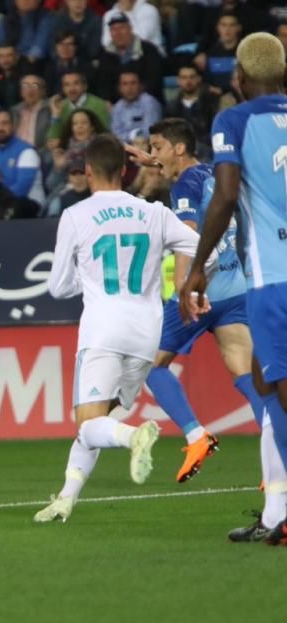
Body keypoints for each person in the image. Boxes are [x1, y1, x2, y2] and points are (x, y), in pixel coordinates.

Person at [35, 134, 213, 523]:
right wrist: (195, 288)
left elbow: (58, 285)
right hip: (145, 336)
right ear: (124, 170)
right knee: (96, 422)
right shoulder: (155, 212)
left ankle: (136, 436)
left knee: (89, 425)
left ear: (86, 171)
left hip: (103, 330)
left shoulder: (76, 215)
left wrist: (91, 277)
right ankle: (66, 498)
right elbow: (208, 251)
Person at [178, 34, 287, 544]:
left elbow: (223, 196)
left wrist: (198, 266)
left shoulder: (235, 120)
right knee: (266, 385)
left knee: (280, 393)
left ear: (238, 79)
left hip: (273, 277)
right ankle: (274, 512)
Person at [124, 118, 263, 484]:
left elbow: (187, 235)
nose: (154, 154)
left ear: (179, 148)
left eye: (157, 147)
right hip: (237, 288)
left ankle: (195, 435)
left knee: (149, 363)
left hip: (205, 290)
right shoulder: (214, 173)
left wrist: (186, 287)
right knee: (247, 375)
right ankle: (278, 459)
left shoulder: (184, 185)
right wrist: (153, 162)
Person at [110, 69, 161, 143]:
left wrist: (129, 137)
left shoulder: (150, 103)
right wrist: (132, 137)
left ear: (141, 86)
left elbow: (150, 132)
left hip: (146, 147)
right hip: (124, 148)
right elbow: (115, 134)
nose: (129, 88)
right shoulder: (117, 107)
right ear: (119, 88)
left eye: (133, 83)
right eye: (125, 84)